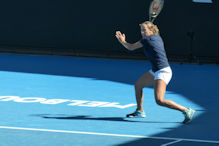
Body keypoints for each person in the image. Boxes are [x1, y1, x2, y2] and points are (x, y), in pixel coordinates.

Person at [115, 21, 195, 124]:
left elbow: (130, 47)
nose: (142, 32)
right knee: (138, 85)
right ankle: (139, 111)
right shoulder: (157, 37)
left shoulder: (147, 40)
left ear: (151, 30)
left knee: (159, 100)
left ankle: (186, 110)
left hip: (163, 72)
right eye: (141, 30)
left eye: (144, 30)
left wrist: (122, 41)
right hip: (156, 70)